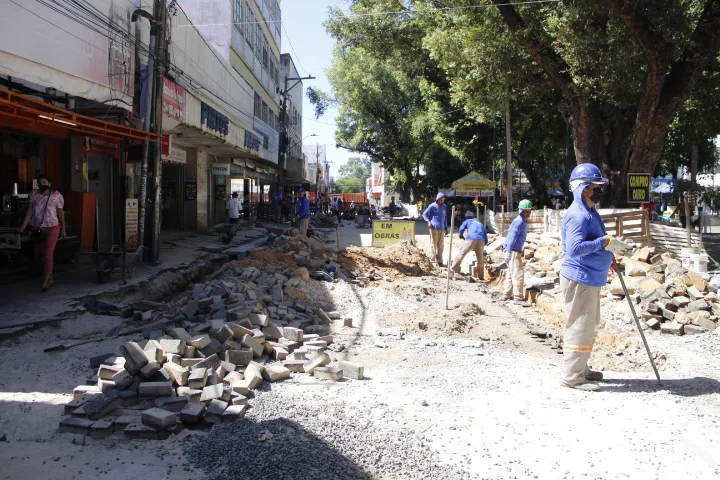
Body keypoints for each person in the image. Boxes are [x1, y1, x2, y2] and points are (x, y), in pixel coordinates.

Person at [560, 163, 630, 392]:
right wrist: (605, 243)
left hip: (590, 277)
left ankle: (582, 367)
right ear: (584, 189)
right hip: (581, 278)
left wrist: (608, 255)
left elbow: (597, 240)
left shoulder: (590, 212)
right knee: (579, 326)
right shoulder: (579, 216)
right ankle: (572, 376)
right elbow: (575, 248)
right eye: (595, 186)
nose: (599, 190)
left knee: (589, 325)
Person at [19, 173, 66, 291]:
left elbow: (60, 212)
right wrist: (24, 226)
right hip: (37, 228)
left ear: (49, 184)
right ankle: (50, 277)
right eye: (39, 183)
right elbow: (30, 210)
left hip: (52, 227)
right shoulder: (34, 194)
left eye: (44, 183)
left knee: (48, 254)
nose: (41, 185)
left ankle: (46, 279)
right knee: (42, 253)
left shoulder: (56, 195)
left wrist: (64, 228)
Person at [502, 199, 532, 302]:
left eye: (530, 211)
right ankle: (518, 297)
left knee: (510, 274)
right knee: (517, 273)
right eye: (527, 211)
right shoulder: (519, 221)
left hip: (513, 250)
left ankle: (506, 294)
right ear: (521, 211)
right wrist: (508, 251)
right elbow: (512, 237)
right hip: (513, 250)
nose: (529, 213)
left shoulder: (521, 221)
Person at [451, 212, 488, 278]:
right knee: (480, 259)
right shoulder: (481, 224)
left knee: (461, 253)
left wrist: (461, 235)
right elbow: (486, 238)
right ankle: (481, 277)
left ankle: (451, 272)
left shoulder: (468, 221)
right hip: (481, 239)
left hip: (471, 238)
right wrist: (481, 247)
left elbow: (462, 228)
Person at [422, 192, 449, 266]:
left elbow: (445, 218)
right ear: (438, 199)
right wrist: (428, 222)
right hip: (434, 228)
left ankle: (440, 260)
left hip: (442, 229)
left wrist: (446, 228)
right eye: (441, 200)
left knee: (441, 245)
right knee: (433, 244)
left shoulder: (444, 207)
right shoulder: (432, 206)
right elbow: (424, 214)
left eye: (443, 200)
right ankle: (433, 260)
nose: (442, 201)